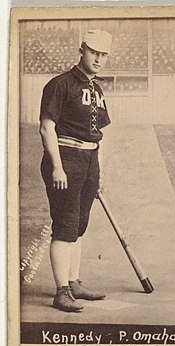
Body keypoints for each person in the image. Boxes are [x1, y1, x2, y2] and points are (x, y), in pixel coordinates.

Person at [39, 29, 112, 312]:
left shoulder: (97, 89)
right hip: (66, 158)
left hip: (90, 160)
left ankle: (75, 283)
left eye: (104, 54)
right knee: (66, 226)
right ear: (82, 50)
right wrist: (57, 167)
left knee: (79, 226)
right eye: (94, 52)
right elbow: (47, 127)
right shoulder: (60, 84)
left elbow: (96, 137)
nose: (98, 59)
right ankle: (61, 291)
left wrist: (99, 171)